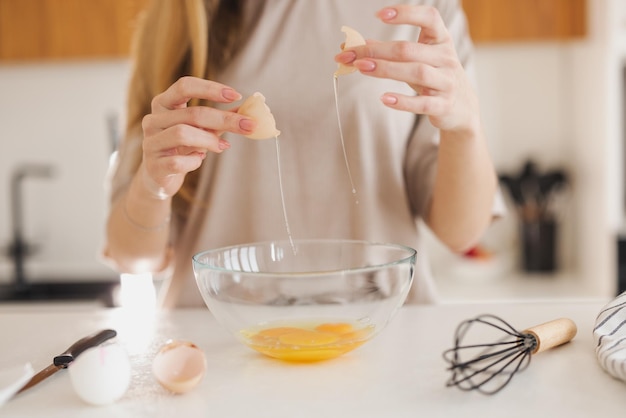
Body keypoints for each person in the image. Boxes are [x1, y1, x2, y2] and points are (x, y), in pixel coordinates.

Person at [103, 0, 499, 308]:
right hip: (222, 343)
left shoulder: (421, 11)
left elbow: (461, 232)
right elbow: (131, 257)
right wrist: (154, 185)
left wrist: (465, 127)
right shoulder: (177, 18)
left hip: (380, 331)